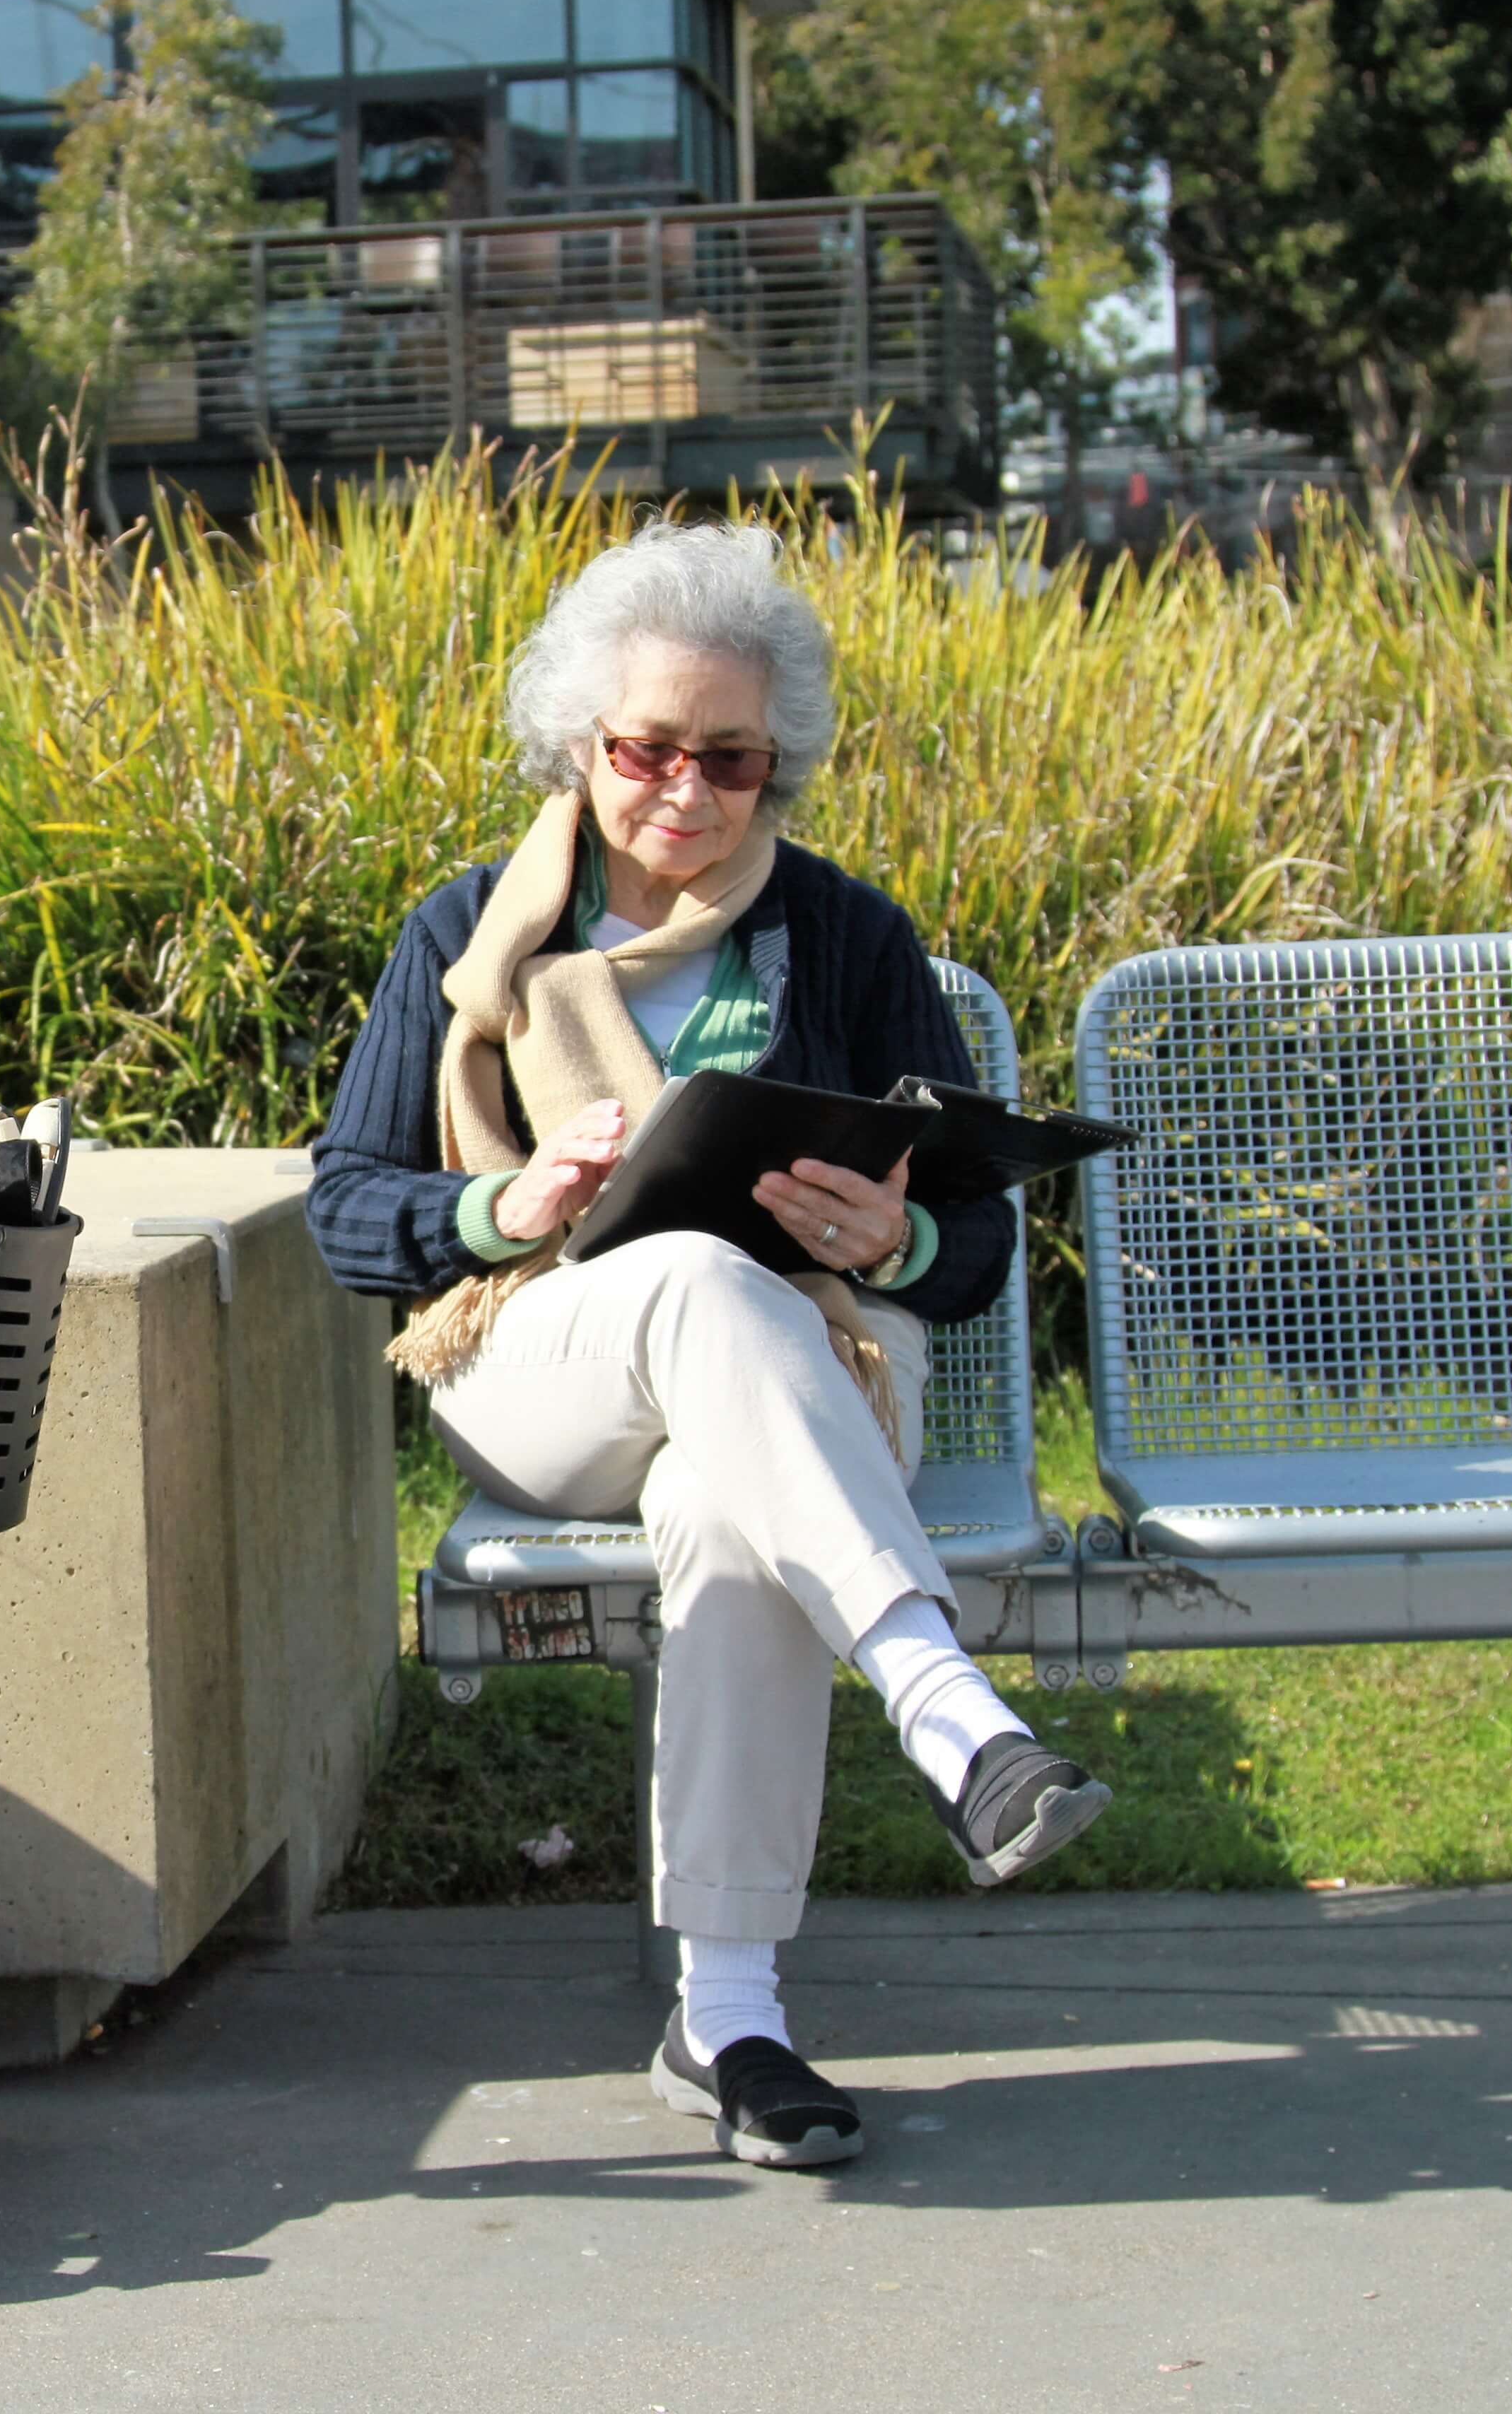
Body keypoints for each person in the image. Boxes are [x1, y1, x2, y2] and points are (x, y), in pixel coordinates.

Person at [305, 518, 1109, 2169]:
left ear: (776, 766)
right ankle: (947, 1704)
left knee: (727, 1518)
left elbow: (976, 1248)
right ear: (580, 746)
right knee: (692, 1281)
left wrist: (898, 1237)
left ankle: (730, 2015)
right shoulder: (472, 933)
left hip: (815, 1378)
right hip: (545, 1362)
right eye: (645, 750)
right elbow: (344, 1208)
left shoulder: (851, 937)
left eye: (727, 759)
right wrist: (506, 1210)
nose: (685, 791)